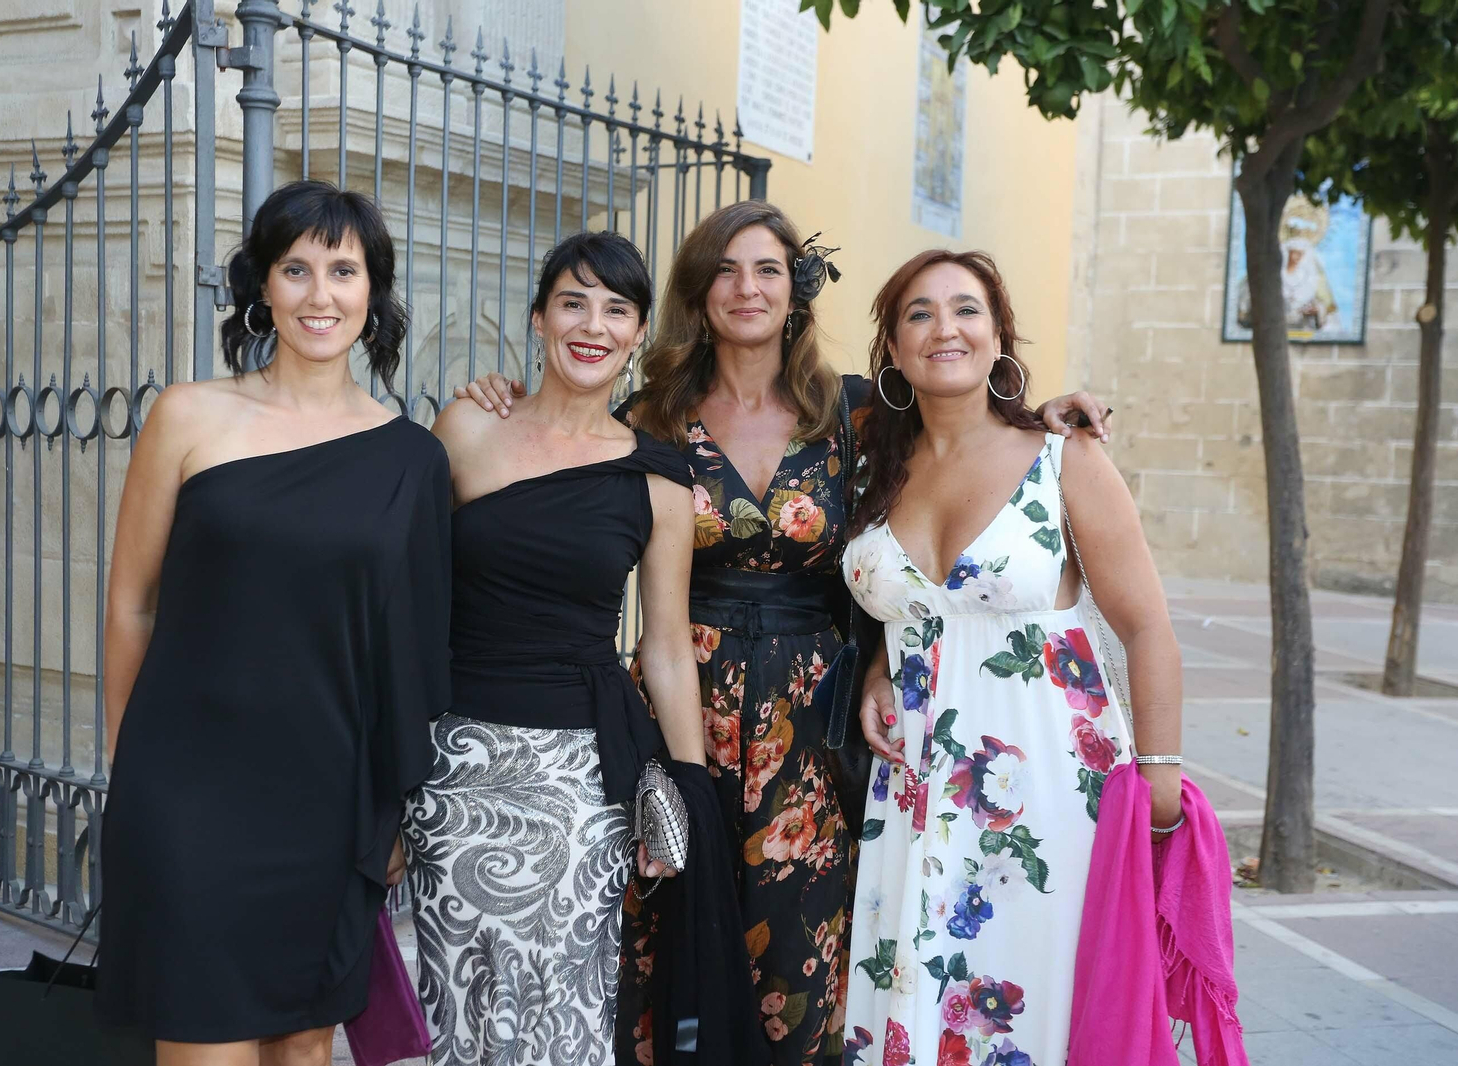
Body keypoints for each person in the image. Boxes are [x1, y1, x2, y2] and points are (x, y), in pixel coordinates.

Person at [455, 202, 1109, 1066]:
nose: (746, 287)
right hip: (679, 701)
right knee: (664, 935)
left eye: (767, 269)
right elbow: (564, 446)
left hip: (815, 723)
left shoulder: (854, 413)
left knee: (803, 952)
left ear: (795, 290)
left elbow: (956, 440)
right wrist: (493, 394)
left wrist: (1048, 409)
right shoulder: (650, 416)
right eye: (725, 269)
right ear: (698, 292)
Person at [96, 181, 449, 1066]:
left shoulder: (412, 458)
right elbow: (130, 604)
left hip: (330, 806)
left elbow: (409, 650)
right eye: (295, 268)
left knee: (303, 1049)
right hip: (188, 799)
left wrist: (390, 812)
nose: (319, 294)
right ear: (262, 285)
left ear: (374, 293)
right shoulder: (188, 415)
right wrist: (127, 769)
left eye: (343, 269)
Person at [404, 231, 757, 1066]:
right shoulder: (463, 426)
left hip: (578, 784)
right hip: (452, 765)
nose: (592, 323)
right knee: (458, 999)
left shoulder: (658, 479)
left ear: (637, 334)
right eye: (573, 301)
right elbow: (405, 597)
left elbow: (666, 647)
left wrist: (689, 783)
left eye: (616, 307)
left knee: (566, 1004)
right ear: (538, 318)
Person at [839, 250, 1183, 1066]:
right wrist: (879, 671)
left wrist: (1161, 783)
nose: (944, 327)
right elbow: (908, 613)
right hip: (916, 789)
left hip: (1051, 792)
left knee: (1042, 999)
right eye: (918, 313)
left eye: (967, 309)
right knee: (925, 992)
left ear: (1000, 337)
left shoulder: (1065, 457)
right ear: (891, 348)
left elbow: (1148, 628)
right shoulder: (871, 468)